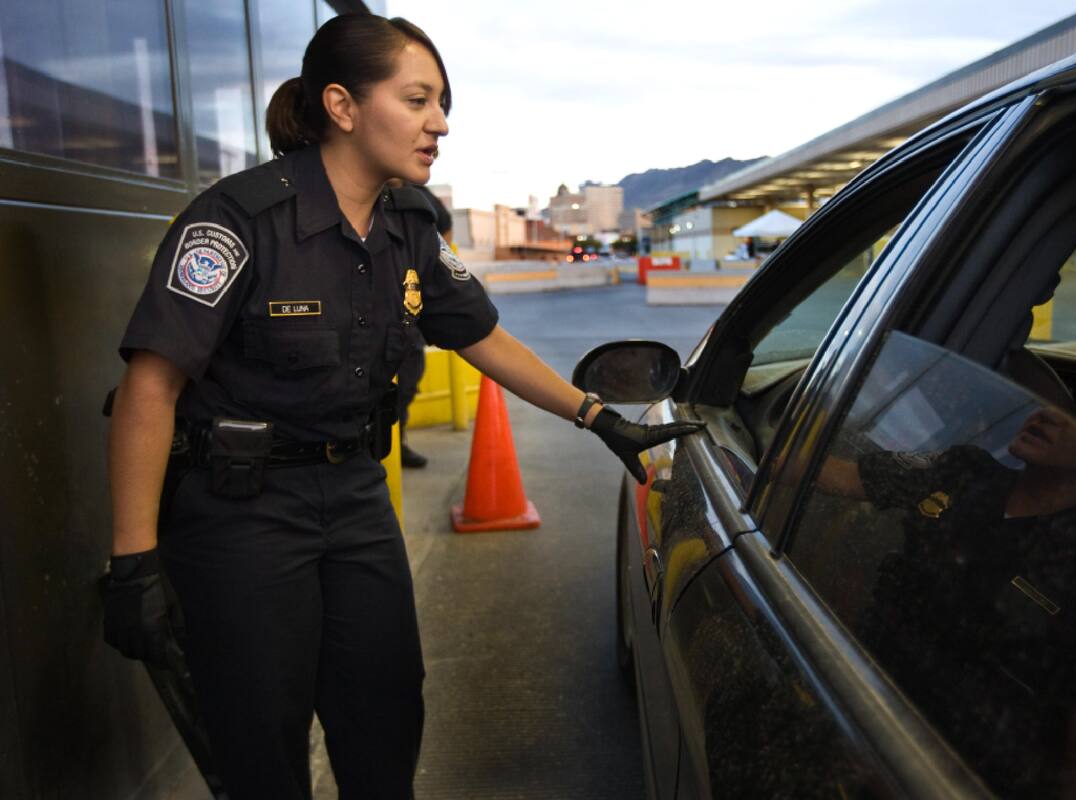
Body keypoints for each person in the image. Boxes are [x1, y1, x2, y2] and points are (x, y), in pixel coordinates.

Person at [101, 14, 701, 799]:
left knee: (384, 719)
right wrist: (134, 562)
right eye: (418, 100)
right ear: (344, 106)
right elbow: (152, 389)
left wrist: (599, 416)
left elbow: (485, 339)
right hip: (239, 517)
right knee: (258, 741)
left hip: (354, 497)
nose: (440, 124)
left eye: (442, 103)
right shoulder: (237, 221)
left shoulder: (409, 225)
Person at [392, 182, 453, 469]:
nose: (441, 132)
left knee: (406, 379)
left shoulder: (416, 197)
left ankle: (396, 441)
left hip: (404, 314)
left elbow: (445, 225)